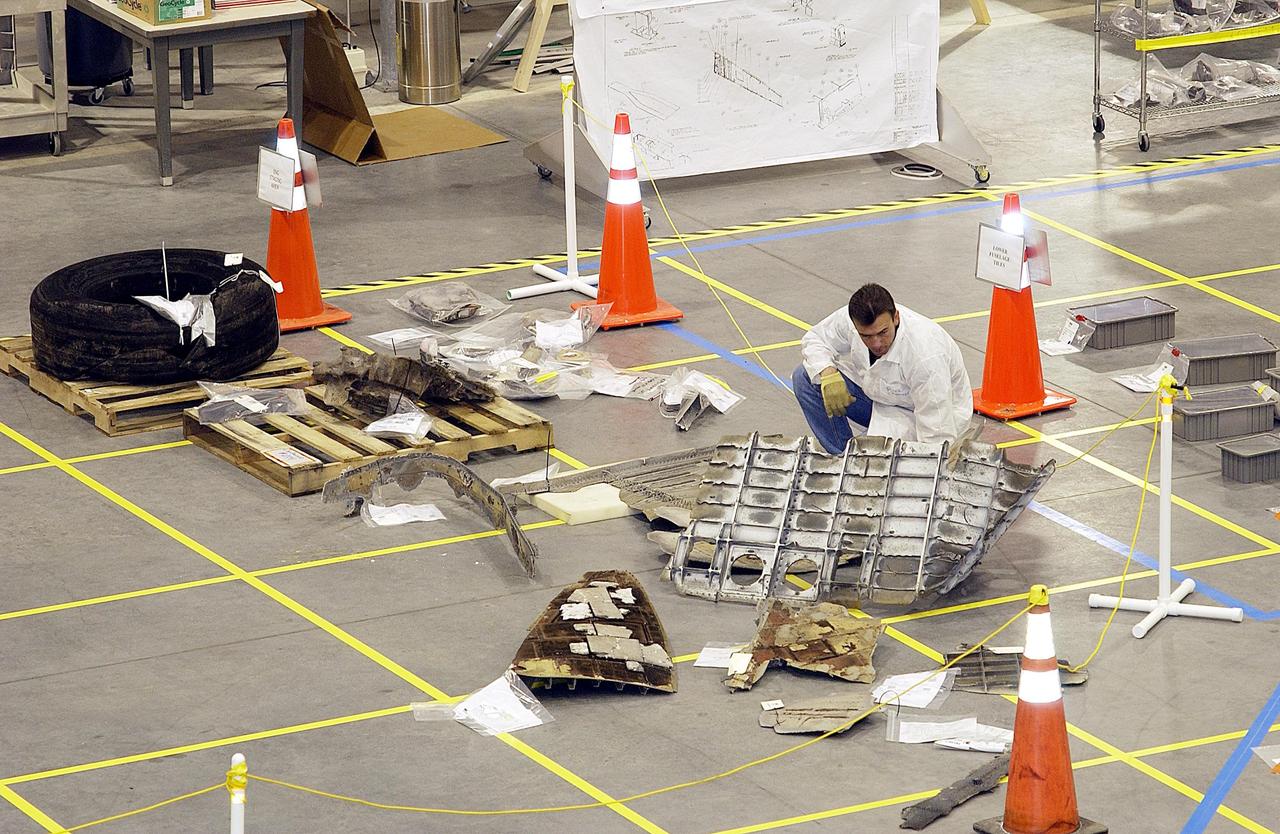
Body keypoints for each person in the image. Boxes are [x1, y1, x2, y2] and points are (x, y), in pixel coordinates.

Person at [792, 283, 973, 452]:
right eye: (866, 336)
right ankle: (842, 459)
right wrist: (828, 373)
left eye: (882, 333)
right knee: (805, 377)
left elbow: (937, 432)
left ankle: (863, 460)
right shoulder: (850, 320)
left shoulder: (925, 354)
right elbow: (815, 339)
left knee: (881, 465)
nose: (876, 343)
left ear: (896, 317)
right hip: (880, 395)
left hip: (923, 416)